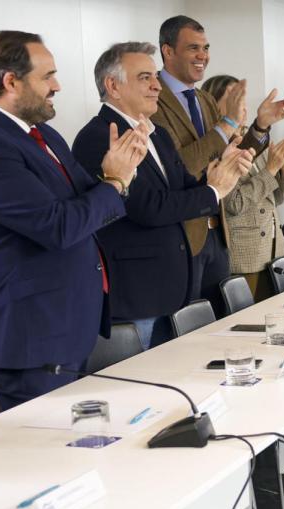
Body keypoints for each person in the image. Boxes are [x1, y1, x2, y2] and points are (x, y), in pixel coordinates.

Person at [0, 31, 146, 410]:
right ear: (11, 81)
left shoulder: (42, 134)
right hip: (34, 338)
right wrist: (115, 181)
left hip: (70, 326)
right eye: (48, 76)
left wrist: (119, 172)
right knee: (44, 447)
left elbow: (90, 197)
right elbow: (58, 227)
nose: (57, 86)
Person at [73, 44, 253, 348]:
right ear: (113, 86)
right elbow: (148, 208)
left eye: (155, 77)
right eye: (145, 78)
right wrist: (213, 191)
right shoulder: (98, 137)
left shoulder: (158, 133)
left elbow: (184, 190)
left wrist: (223, 172)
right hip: (138, 296)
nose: (157, 85)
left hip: (176, 291)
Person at [151, 15, 284, 314]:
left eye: (206, 48)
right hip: (184, 236)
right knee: (188, 328)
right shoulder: (153, 100)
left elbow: (230, 154)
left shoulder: (203, 99)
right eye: (193, 48)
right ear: (168, 51)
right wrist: (227, 124)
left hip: (219, 234)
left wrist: (260, 127)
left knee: (223, 328)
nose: (203, 55)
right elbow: (179, 165)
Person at [201, 74, 284, 301]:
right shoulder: (213, 146)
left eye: (242, 99)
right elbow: (234, 204)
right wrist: (270, 170)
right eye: (233, 97)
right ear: (213, 105)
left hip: (274, 250)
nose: (241, 105)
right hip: (245, 257)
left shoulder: (253, 139)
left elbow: (277, 198)